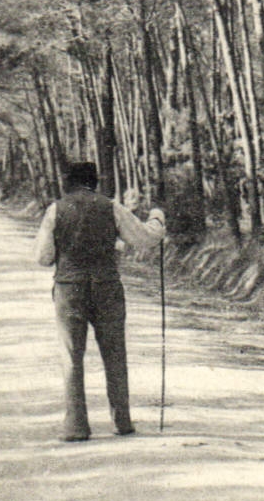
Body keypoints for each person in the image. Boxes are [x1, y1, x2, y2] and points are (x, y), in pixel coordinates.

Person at [34, 161, 166, 442]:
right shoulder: (111, 207)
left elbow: (43, 257)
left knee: (71, 358)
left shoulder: (55, 209)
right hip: (106, 287)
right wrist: (157, 218)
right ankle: (122, 421)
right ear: (94, 181)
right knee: (114, 354)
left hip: (70, 289)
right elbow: (145, 239)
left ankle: (76, 426)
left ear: (67, 182)